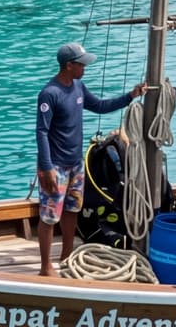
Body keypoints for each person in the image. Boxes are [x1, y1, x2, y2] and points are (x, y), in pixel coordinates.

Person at [33, 41, 149, 277]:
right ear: (68, 66)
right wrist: (46, 167)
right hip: (55, 165)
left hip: (75, 164)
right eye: (81, 64)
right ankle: (45, 266)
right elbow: (41, 131)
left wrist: (130, 96)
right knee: (49, 216)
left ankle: (66, 257)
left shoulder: (79, 87)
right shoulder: (49, 93)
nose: (84, 68)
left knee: (72, 210)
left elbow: (100, 106)